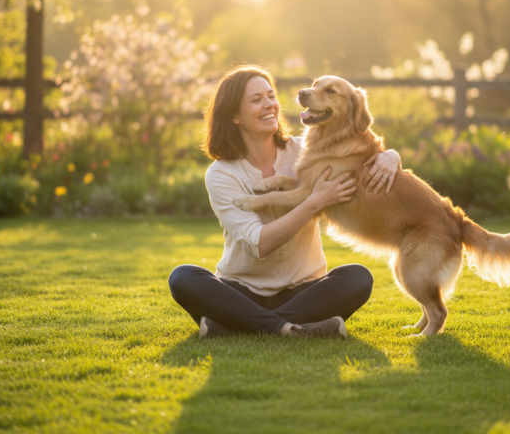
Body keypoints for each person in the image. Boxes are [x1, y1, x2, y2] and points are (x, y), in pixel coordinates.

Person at [168, 66, 401, 338]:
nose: (269, 105)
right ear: (233, 116)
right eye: (256, 100)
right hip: (240, 291)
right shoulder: (221, 174)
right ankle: (291, 328)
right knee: (183, 277)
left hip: (304, 290)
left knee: (358, 277)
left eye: (271, 96)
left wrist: (391, 156)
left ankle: (237, 326)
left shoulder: (307, 151)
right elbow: (260, 244)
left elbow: (357, 147)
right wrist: (315, 202)